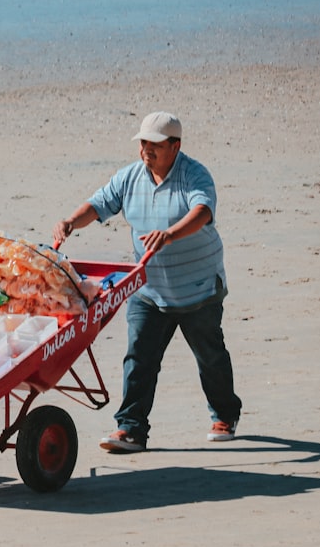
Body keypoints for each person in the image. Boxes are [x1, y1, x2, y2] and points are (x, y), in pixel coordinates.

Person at [52, 111, 242, 453]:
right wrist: (70, 222)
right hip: (149, 289)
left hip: (197, 287)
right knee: (139, 357)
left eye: (154, 145)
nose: (146, 150)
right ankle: (131, 429)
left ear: (175, 146)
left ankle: (225, 415)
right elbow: (98, 205)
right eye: (143, 143)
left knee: (210, 356)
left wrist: (169, 235)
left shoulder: (194, 175)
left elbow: (202, 212)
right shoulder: (130, 178)